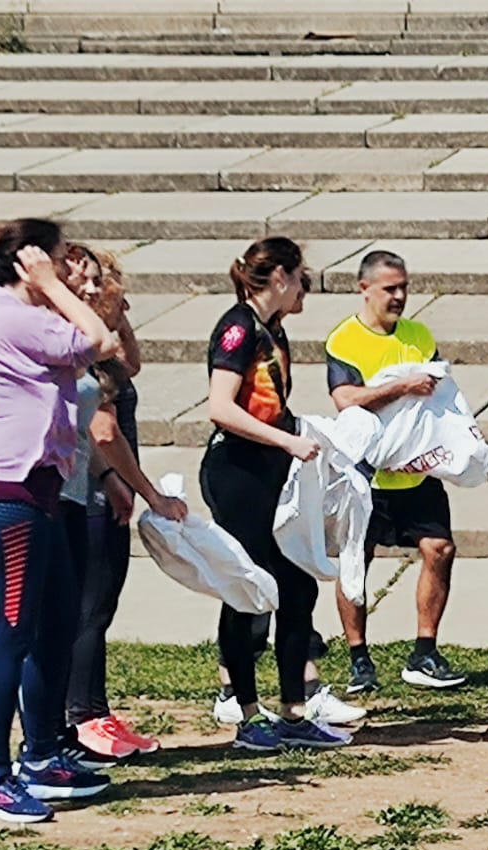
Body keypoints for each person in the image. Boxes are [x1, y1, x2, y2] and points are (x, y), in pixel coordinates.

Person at [0, 218, 125, 823]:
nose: (67, 269)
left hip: (39, 496)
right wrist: (51, 284)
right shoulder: (14, 318)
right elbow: (100, 341)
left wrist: (55, 286)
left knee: (57, 623)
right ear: (31, 262)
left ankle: (42, 755)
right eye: (58, 258)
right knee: (12, 634)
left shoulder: (29, 316)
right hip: (8, 500)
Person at [203, 236, 350, 752]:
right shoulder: (239, 327)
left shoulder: (273, 328)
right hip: (237, 472)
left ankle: (294, 711)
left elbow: (270, 404)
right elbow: (221, 407)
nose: (304, 285)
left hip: (271, 468)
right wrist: (286, 440)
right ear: (281, 275)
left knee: (297, 586)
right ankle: (245, 712)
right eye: (300, 275)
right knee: (247, 587)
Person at [56, 246, 188, 762]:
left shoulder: (101, 351)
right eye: (96, 287)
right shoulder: (78, 354)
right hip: (91, 494)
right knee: (91, 608)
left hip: (106, 491)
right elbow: (104, 433)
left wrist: (119, 318)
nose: (107, 294)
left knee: (102, 607)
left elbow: (131, 364)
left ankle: (96, 710)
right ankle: (81, 718)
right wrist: (150, 493)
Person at [326, 249, 467, 696]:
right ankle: (359, 658)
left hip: (417, 472)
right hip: (366, 475)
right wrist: (402, 386)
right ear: (364, 289)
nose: (400, 296)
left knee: (440, 549)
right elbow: (345, 399)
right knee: (356, 562)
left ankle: (425, 652)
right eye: (390, 288)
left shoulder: (419, 335)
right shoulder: (344, 340)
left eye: (404, 287)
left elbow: (439, 393)